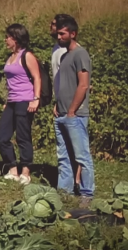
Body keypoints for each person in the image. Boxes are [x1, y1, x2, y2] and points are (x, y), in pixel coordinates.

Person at [53, 17, 94, 207]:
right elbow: (64, 84)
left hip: (75, 115)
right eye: (58, 33)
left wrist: (71, 110)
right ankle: (65, 191)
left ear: (73, 34)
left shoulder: (80, 54)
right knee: (64, 156)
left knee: (81, 155)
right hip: (61, 113)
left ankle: (87, 193)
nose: (58, 36)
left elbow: (83, 84)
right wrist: (58, 105)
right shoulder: (63, 56)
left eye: (62, 33)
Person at [0, 24, 41, 185]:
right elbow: (11, 82)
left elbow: (36, 77)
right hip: (12, 101)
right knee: (2, 136)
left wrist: (36, 98)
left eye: (8, 37)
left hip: (25, 100)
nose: (5, 40)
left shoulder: (26, 55)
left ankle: (26, 172)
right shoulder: (10, 57)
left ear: (16, 38)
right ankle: (12, 169)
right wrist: (8, 100)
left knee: (23, 136)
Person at [50, 14, 82, 186]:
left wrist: (72, 107)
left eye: (56, 25)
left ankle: (79, 180)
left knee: (77, 146)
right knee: (63, 147)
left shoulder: (73, 51)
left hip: (73, 104)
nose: (52, 28)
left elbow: (81, 81)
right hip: (60, 101)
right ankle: (66, 185)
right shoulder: (57, 49)